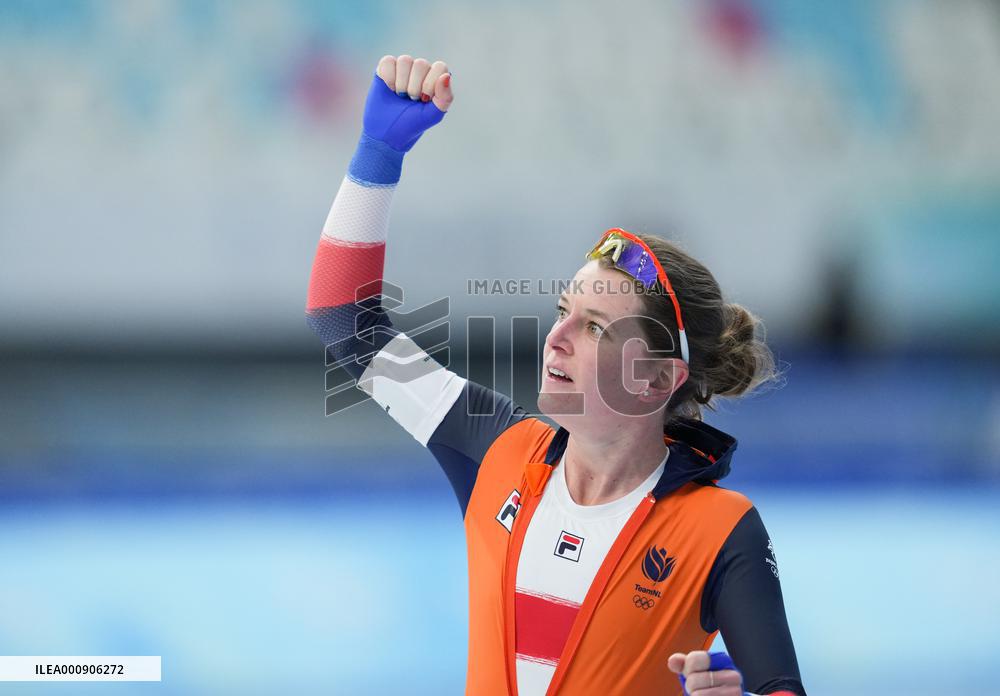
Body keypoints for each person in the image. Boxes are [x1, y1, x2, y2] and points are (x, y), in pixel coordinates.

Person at [306, 54, 806, 696]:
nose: (556, 339)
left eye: (595, 326)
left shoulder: (720, 530)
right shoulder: (495, 448)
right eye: (563, 310)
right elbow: (343, 321)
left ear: (658, 379)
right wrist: (378, 154)